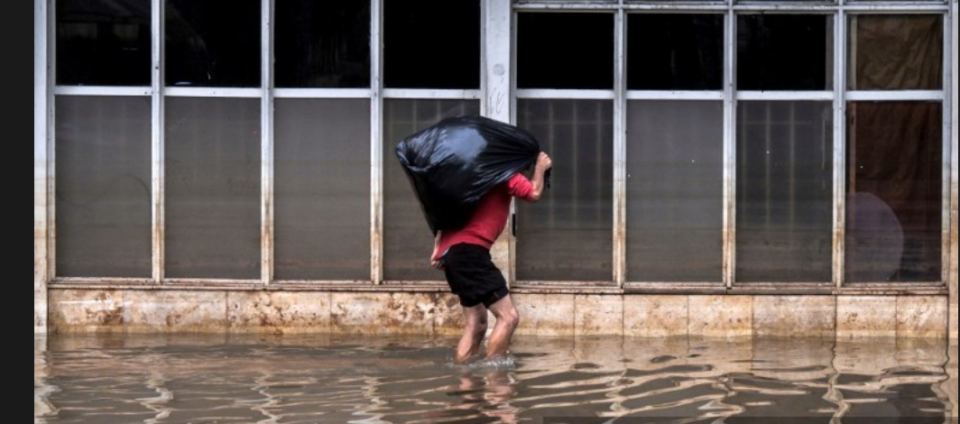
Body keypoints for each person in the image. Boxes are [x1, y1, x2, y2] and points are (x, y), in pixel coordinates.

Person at [432, 152, 552, 364]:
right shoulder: (502, 172)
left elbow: (442, 213)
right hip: (470, 253)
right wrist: (541, 167)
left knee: (476, 324)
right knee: (509, 317)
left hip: (453, 254)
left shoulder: (469, 174)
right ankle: (496, 381)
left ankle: (465, 381)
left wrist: (439, 249)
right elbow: (533, 192)